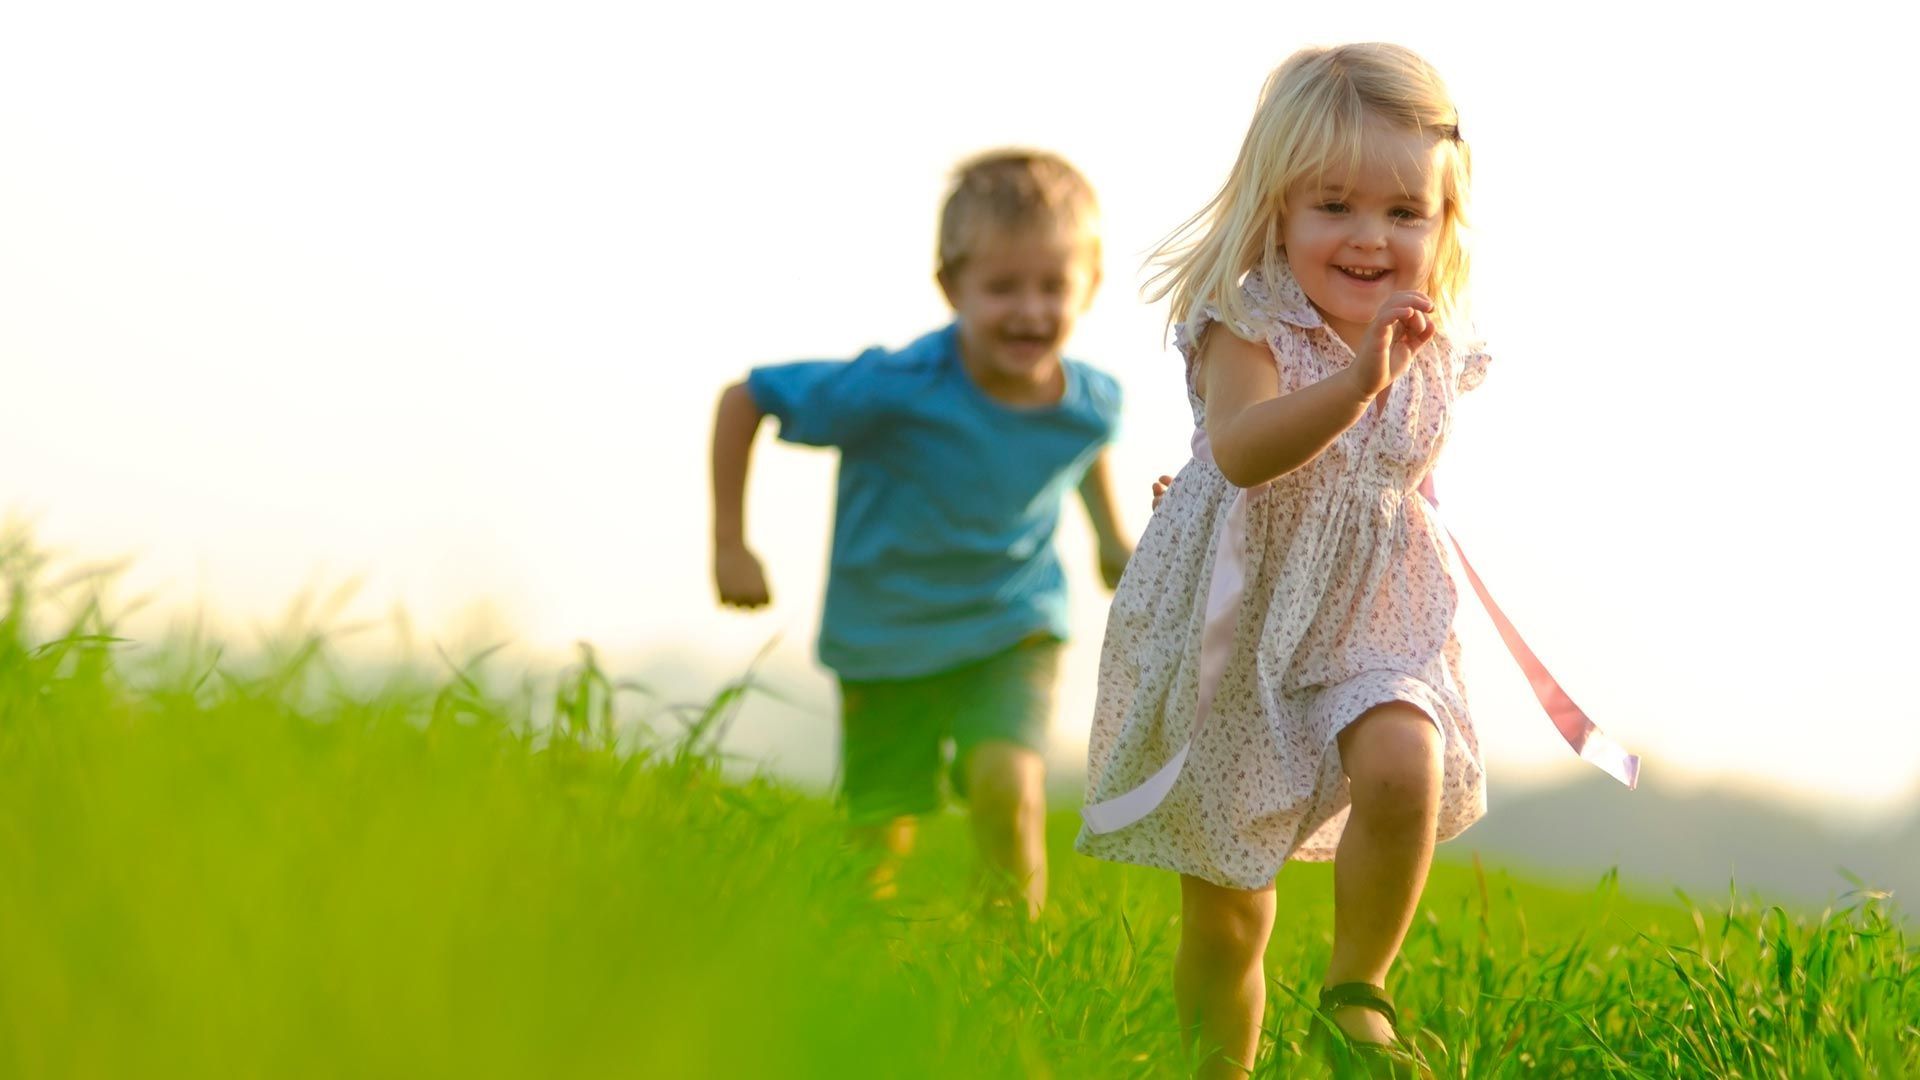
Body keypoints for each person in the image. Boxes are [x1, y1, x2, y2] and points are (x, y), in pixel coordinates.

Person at [1075, 43, 1633, 1076]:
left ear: (1444, 222)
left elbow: (1396, 474)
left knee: (1404, 757)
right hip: (1239, 636)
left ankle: (1356, 988)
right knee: (1228, 923)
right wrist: (1355, 386)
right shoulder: (1250, 323)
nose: (1371, 238)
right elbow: (1244, 451)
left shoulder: (1428, 335)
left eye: (1404, 213)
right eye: (1334, 205)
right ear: (1276, 208)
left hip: (1374, 613)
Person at [711, 150, 1129, 921]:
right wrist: (732, 544)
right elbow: (747, 399)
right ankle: (866, 956)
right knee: (880, 827)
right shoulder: (892, 389)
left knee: (1011, 788)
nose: (1030, 312)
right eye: (1002, 288)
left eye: (1051, 287)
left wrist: (1110, 536)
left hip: (1013, 626)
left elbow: (1081, 444)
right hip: (887, 634)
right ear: (951, 288)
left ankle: (1012, 967)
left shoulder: (1092, 400)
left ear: (1090, 286)